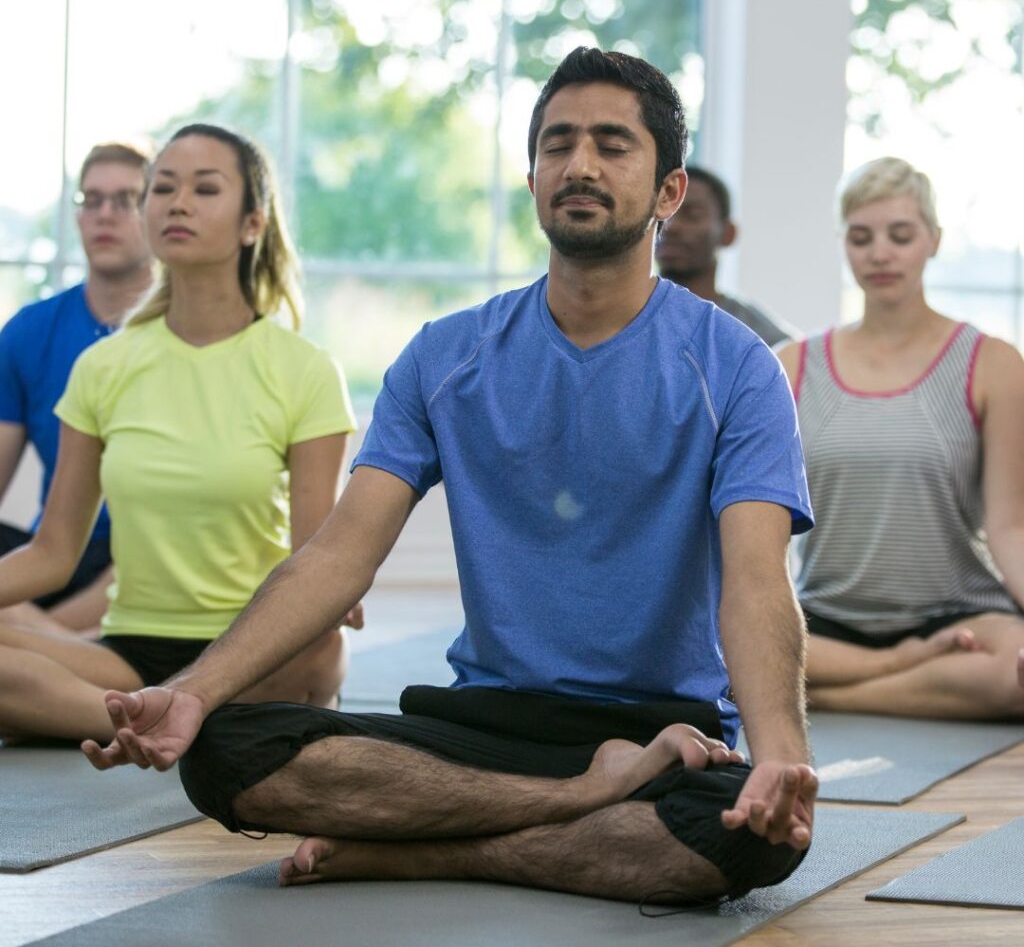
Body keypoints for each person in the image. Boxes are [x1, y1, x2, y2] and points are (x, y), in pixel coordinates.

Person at [86, 50, 818, 906]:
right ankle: (580, 801)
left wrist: (779, 761)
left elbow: (759, 583)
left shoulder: (737, 367)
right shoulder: (446, 355)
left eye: (612, 144)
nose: (578, 164)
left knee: (740, 838)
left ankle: (430, 847)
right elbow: (337, 557)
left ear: (669, 191)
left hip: (662, 731)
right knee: (224, 752)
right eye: (557, 144)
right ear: (535, 175)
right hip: (482, 724)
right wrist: (192, 691)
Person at [0, 123, 360, 743]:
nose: (178, 202)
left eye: (205, 188)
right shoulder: (104, 366)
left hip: (254, 651)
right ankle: (177, 721)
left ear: (253, 223)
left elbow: (313, 560)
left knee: (321, 650)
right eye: (163, 188)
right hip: (128, 652)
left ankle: (154, 715)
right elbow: (54, 553)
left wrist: (337, 596)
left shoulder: (305, 370)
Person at [776, 156, 1024, 719]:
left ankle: (825, 695)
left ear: (933, 240)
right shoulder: (790, 366)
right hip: (828, 618)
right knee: (732, 646)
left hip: (959, 614)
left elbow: (1010, 526)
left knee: (1016, 673)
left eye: (900, 235)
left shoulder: (995, 364)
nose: (880, 254)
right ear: (844, 245)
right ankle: (909, 673)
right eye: (861, 238)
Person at [0, 143, 155, 634]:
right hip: (58, 549)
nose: (104, 215)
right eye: (91, 200)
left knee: (171, 554)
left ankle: (38, 644)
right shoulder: (30, 330)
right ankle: (50, 647)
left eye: (126, 200)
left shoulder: (186, 333)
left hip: (155, 555)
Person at [655, 164, 798, 346]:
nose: (671, 226)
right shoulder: (621, 318)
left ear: (727, 233)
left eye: (692, 215)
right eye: (662, 213)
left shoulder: (763, 341)